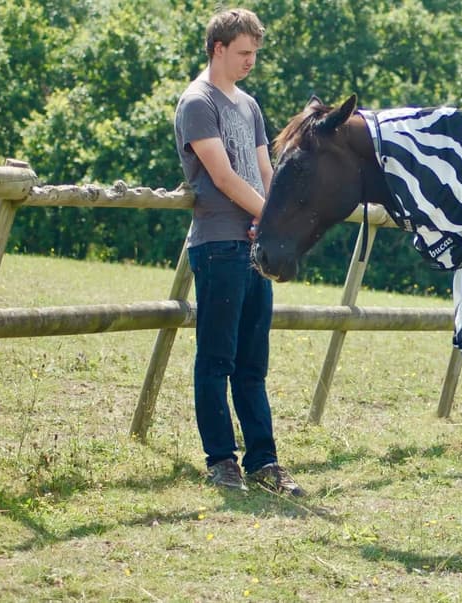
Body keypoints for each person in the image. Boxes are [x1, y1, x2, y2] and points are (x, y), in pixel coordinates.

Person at [174, 8, 304, 496]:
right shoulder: (197, 102)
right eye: (244, 53)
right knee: (217, 358)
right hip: (219, 244)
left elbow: (263, 171)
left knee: (253, 362)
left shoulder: (248, 105)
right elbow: (223, 176)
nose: (251, 61)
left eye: (255, 53)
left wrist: (273, 222)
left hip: (253, 247)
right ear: (218, 48)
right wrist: (266, 219)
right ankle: (222, 461)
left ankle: (264, 461)